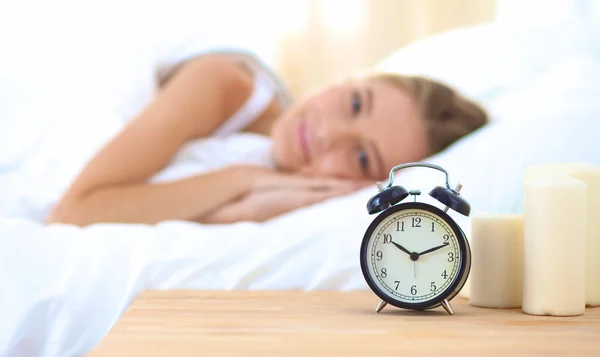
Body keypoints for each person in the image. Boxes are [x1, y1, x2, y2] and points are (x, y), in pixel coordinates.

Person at [47, 53, 488, 226]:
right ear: (346, 80)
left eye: (359, 156)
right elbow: (73, 212)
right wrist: (239, 181)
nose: (327, 134)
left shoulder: (288, 196)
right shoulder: (223, 83)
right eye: (354, 103)